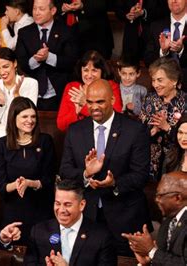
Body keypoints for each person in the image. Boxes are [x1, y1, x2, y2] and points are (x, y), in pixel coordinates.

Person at [60, 79, 152, 256]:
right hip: (87, 216)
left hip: (125, 217)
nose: (94, 107)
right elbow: (65, 170)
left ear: (112, 100)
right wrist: (86, 174)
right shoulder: (75, 130)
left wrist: (114, 183)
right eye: (90, 102)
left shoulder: (135, 130)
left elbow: (140, 175)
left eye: (100, 101)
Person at [0, 97, 56, 243]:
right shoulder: (2, 144)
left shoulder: (45, 141)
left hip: (41, 211)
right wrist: (17, 184)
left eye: (33, 116)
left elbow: (49, 181)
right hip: (13, 212)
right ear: (13, 118)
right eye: (25, 116)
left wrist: (30, 183)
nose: (30, 120)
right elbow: (2, 187)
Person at [23, 179, 116, 265]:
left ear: (82, 205)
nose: (61, 210)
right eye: (57, 203)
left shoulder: (102, 237)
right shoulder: (38, 232)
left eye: (67, 204)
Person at [16, 0, 78, 111]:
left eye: (41, 9)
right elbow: (22, 63)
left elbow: (71, 61)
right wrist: (36, 59)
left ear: (53, 10)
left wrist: (49, 57)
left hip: (58, 93)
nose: (36, 13)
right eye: (34, 9)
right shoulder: (24, 33)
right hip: (33, 94)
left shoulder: (66, 31)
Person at [0, 47, 38, 169]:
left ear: (15, 63)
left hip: (22, 144)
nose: (2, 72)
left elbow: (28, 121)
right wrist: (1, 103)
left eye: (6, 66)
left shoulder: (30, 84)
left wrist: (17, 97)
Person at [122, 171, 187, 265]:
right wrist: (149, 261)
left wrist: (151, 250)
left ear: (177, 198)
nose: (156, 200)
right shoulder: (168, 222)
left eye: (160, 195)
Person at [140, 57, 187, 180]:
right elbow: (139, 132)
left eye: (160, 80)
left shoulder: (185, 102)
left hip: (176, 159)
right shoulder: (149, 100)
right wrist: (152, 132)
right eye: (153, 80)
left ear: (174, 80)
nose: (155, 85)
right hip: (149, 157)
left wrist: (167, 127)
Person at [57, 50, 123, 132]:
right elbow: (61, 125)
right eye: (86, 70)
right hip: (79, 136)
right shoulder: (72, 87)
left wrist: (85, 105)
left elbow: (116, 119)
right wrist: (76, 112)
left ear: (102, 71)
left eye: (94, 70)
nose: (89, 75)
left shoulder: (111, 86)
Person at [144, 0, 187, 87]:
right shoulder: (156, 26)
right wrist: (163, 52)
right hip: (162, 90)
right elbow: (148, 61)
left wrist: (181, 51)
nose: (174, 1)